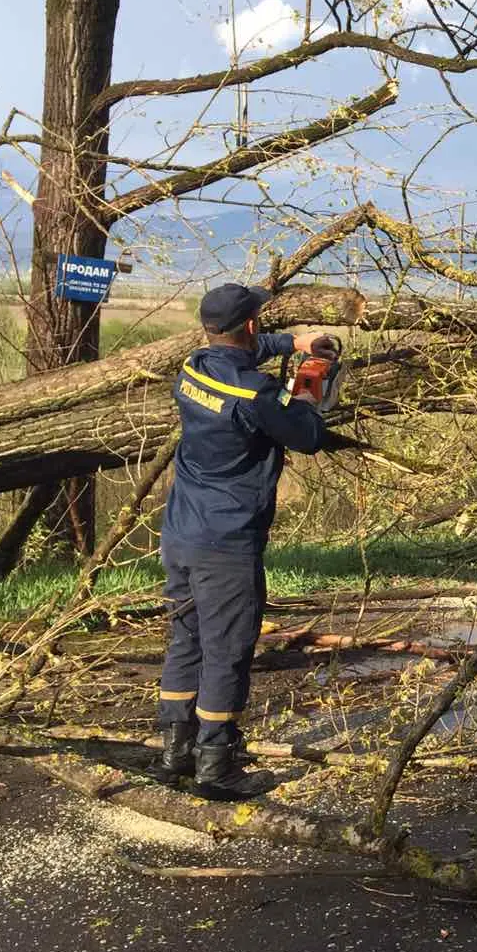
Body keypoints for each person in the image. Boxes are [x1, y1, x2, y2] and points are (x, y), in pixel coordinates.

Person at [152, 283, 336, 799]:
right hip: (226, 542)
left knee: (187, 639)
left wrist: (294, 343)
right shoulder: (256, 394)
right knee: (228, 650)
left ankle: (174, 752)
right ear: (251, 325)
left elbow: (242, 353)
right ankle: (217, 767)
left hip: (182, 533)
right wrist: (308, 388)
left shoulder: (192, 369)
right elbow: (307, 435)